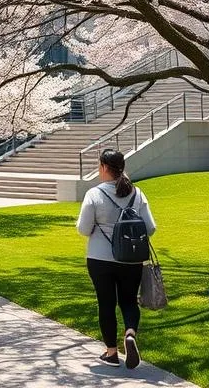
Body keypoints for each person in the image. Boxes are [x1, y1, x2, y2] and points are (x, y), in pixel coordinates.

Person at [76, 149, 156, 368]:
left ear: (103, 167)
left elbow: (84, 229)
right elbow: (151, 228)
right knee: (129, 300)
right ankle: (130, 333)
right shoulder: (137, 194)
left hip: (99, 259)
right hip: (131, 259)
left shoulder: (94, 194)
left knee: (106, 303)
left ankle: (111, 353)